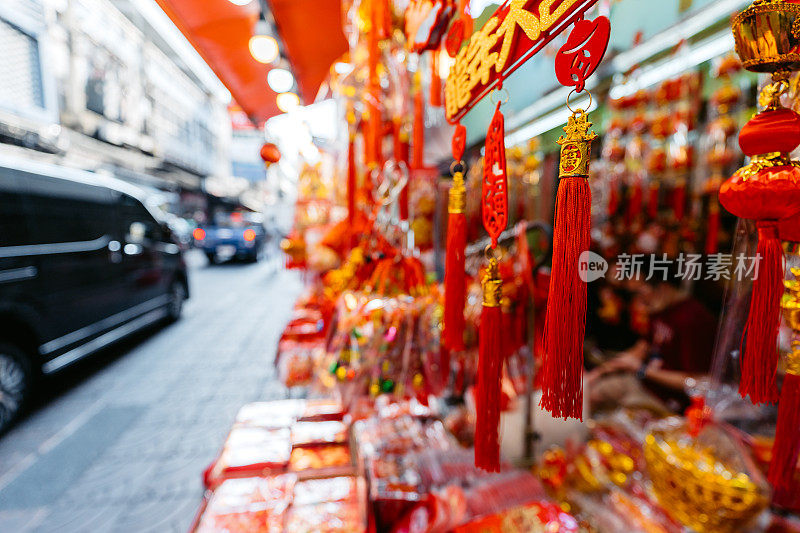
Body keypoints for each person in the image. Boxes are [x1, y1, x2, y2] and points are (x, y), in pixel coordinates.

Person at [587, 260, 718, 413]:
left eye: (640, 293)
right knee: (591, 392)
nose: (638, 301)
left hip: (666, 401)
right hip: (643, 383)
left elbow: (698, 381)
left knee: (612, 415)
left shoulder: (693, 319)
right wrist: (599, 372)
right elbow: (642, 347)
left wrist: (642, 370)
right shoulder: (660, 308)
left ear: (663, 287)